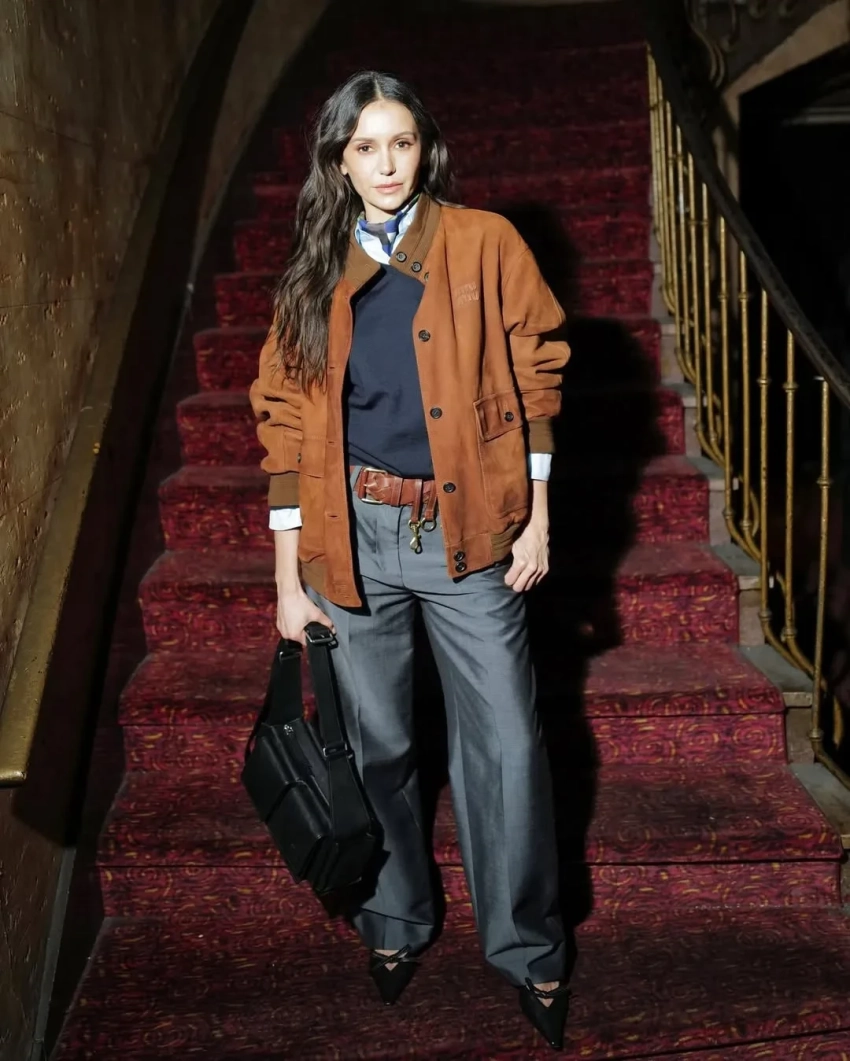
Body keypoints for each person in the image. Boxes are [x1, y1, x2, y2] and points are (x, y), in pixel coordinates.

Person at [249, 70, 573, 1050]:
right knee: (378, 744)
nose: (386, 165)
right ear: (338, 163)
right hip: (353, 534)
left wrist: (537, 517)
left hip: (468, 526)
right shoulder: (314, 268)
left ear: (425, 148)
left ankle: (526, 940)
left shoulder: (484, 242)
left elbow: (538, 371)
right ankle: (393, 917)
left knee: (507, 742)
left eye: (401, 143)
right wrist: (287, 578)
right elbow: (284, 425)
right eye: (365, 148)